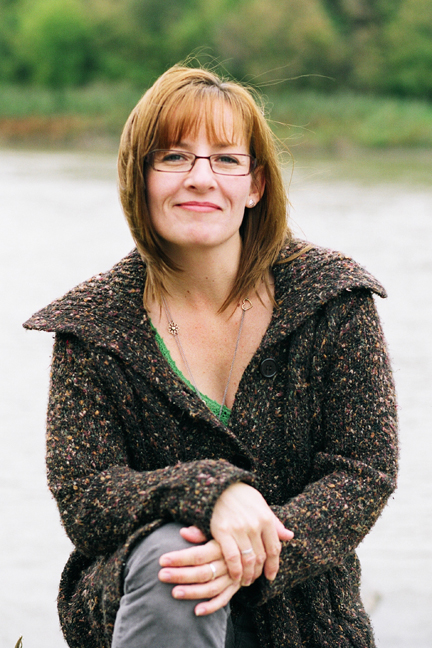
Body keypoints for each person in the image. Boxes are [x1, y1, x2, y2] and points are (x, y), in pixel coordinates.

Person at [24, 64, 398, 648]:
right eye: (174, 157)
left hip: (305, 617)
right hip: (146, 602)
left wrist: (246, 555)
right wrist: (211, 491)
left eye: (225, 159)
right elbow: (85, 495)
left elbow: (364, 470)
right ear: (140, 178)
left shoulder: (331, 297)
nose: (201, 178)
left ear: (255, 185)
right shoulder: (90, 327)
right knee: (176, 553)